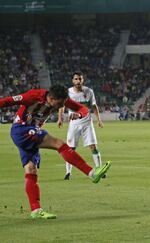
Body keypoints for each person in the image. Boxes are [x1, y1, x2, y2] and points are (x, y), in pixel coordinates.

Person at [0, 85, 111, 219]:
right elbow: (8, 101)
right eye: (59, 104)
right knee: (59, 144)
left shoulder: (61, 100)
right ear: (51, 99)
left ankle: (35, 210)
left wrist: (79, 114)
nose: (62, 107)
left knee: (31, 170)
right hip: (22, 130)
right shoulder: (34, 96)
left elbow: (83, 109)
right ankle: (91, 173)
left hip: (32, 131)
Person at [58, 71, 104, 180]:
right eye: (76, 79)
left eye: (80, 79)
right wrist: (60, 118)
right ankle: (68, 173)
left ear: (83, 80)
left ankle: (99, 170)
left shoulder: (89, 91)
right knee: (70, 149)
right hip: (74, 124)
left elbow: (94, 106)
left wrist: (99, 120)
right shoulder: (68, 92)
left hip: (87, 123)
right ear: (72, 81)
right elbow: (61, 106)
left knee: (93, 146)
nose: (78, 81)